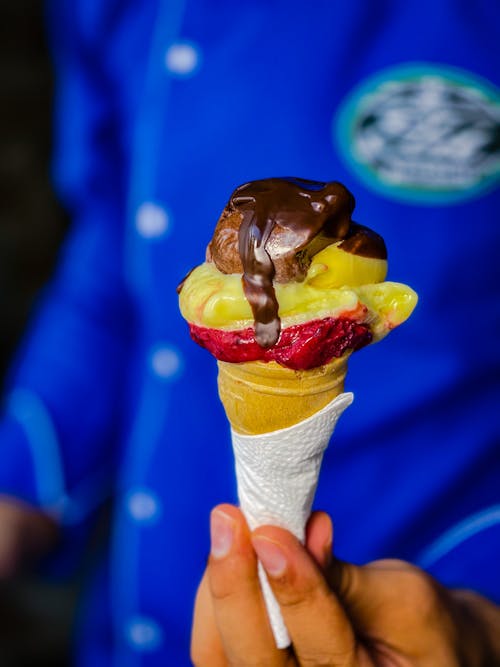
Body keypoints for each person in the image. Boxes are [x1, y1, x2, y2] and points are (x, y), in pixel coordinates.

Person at [0, 1, 499, 665]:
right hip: (138, 625)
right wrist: (19, 481)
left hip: (421, 605)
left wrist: (483, 616)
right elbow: (117, 259)